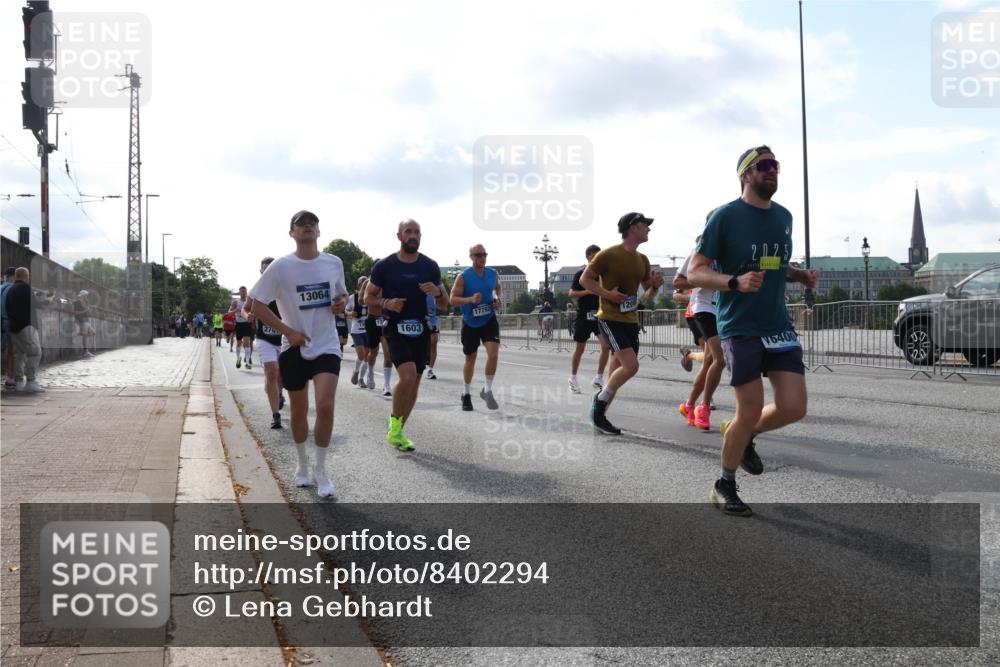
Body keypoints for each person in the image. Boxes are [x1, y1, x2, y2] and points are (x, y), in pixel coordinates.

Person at [688, 145, 820, 517]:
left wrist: (799, 275)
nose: (772, 171)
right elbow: (695, 271)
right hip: (740, 326)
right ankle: (724, 484)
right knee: (751, 407)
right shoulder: (726, 216)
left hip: (777, 325)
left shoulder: (784, 216)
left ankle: (746, 433)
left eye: (775, 165)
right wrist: (733, 281)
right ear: (746, 175)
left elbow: (773, 262)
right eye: (763, 166)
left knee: (794, 407)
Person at [249, 210, 348, 498]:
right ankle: (302, 463)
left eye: (312, 223)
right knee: (299, 410)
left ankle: (321, 469)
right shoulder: (281, 267)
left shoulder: (334, 262)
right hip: (293, 346)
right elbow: (256, 305)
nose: (307, 227)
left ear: (319, 230)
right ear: (292, 233)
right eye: (301, 224)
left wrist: (341, 302)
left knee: (325, 405)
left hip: (327, 344)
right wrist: (288, 331)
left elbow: (342, 294)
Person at [365, 219, 449, 451]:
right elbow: (367, 299)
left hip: (420, 328)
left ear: (420, 236)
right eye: (408, 231)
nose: (412, 235)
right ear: (399, 236)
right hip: (395, 327)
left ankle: (398, 431)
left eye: (416, 232)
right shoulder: (384, 266)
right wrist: (387, 303)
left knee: (415, 384)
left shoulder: (430, 266)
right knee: (408, 376)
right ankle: (394, 424)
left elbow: (444, 303)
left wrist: (437, 292)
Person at [579, 212, 664, 435]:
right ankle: (599, 401)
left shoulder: (642, 259)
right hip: (609, 318)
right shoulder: (607, 255)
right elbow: (584, 280)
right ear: (633, 227)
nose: (649, 229)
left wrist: (655, 286)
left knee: (616, 373)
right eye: (645, 225)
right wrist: (608, 294)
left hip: (630, 320)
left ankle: (600, 417)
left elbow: (647, 296)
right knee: (631, 366)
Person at [675, 235, 724, 431]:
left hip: (724, 309)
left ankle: (688, 405)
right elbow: (678, 282)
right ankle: (704, 407)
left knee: (710, 360)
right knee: (720, 359)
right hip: (703, 307)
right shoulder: (699, 252)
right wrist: (703, 279)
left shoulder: (733, 250)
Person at [450, 244, 502, 410]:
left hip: (488, 319)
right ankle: (466, 393)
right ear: (471, 257)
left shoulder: (492, 273)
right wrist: (470, 299)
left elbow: (497, 288)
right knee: (470, 359)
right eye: (478, 255)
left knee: (493, 354)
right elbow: (453, 299)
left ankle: (487, 390)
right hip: (470, 322)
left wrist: (496, 299)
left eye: (484, 254)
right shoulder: (463, 277)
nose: (482, 258)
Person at [248, 257, 286, 429]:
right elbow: (246, 308)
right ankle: (275, 415)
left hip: (284, 338)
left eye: (271, 268)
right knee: (271, 371)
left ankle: (280, 393)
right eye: (265, 269)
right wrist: (247, 315)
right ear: (261, 271)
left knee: (281, 375)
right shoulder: (257, 289)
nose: (268, 272)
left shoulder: (285, 287)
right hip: (264, 338)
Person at [568, 244, 611, 394]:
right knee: (580, 348)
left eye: (600, 255)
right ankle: (573, 378)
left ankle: (599, 378)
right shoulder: (581, 274)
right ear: (588, 256)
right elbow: (571, 293)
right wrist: (588, 291)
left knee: (606, 346)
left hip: (599, 314)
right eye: (595, 255)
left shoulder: (603, 276)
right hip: (584, 315)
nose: (598, 258)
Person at [6, 267, 45, 393]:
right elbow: (36, 304)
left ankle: (18, 382)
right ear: (26, 276)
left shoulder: (11, 289)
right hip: (27, 327)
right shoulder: (26, 288)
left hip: (14, 327)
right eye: (28, 276)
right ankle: (30, 381)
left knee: (19, 355)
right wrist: (48, 301)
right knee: (35, 352)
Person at [346, 277, 370, 386]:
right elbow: (346, 311)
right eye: (362, 283)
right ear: (358, 285)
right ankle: (356, 371)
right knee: (361, 354)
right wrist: (350, 313)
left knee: (367, 356)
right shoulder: (352, 298)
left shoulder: (370, 297)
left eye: (366, 283)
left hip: (368, 330)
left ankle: (361, 379)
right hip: (356, 330)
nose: (364, 286)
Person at [2, 267, 18, 387]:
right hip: (8, 321)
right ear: (13, 277)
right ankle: (10, 377)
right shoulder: (13, 289)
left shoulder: (1, 287)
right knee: (12, 352)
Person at [233, 287, 255, 369]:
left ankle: (248, 362)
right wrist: (236, 310)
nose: (243, 293)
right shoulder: (235, 302)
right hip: (239, 324)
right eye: (242, 291)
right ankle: (238, 358)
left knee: (247, 342)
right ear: (239, 293)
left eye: (245, 291)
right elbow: (229, 312)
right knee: (239, 342)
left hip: (247, 323)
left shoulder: (249, 302)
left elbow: (254, 311)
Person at [73, 290, 97, 358]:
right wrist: (85, 310)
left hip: (87, 321)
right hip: (82, 321)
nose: (87, 296)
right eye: (86, 295)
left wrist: (89, 309)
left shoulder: (86, 302)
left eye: (87, 295)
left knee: (93, 333)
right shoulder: (77, 302)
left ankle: (86, 350)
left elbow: (88, 311)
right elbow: (76, 313)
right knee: (85, 336)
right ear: (82, 295)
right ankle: (85, 352)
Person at [425, 291, 440, 379]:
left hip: (432, 321)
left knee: (433, 343)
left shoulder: (435, 289)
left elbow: (443, 303)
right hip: (420, 320)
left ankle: (430, 370)